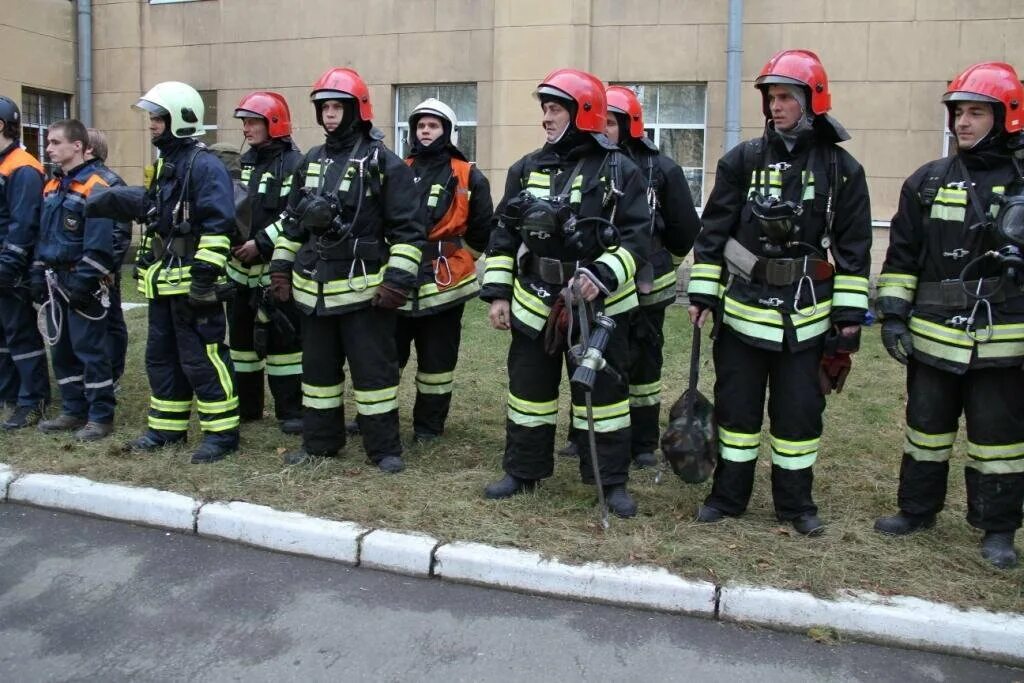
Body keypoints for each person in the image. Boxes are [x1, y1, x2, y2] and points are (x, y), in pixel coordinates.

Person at [686, 50, 872, 535]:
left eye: (786, 96)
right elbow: (713, 234)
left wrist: (847, 322)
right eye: (771, 97)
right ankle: (727, 497)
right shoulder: (741, 161)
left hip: (806, 323)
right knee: (737, 415)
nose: (776, 106)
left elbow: (853, 250)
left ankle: (796, 506)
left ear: (813, 100)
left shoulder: (842, 170)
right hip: (743, 317)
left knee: (798, 420)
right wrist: (703, 296)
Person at [478, 68, 651, 517]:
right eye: (545, 109)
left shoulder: (621, 171)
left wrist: (602, 275)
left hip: (601, 306)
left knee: (606, 396)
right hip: (535, 301)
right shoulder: (527, 168)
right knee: (528, 391)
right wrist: (498, 293)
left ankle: (610, 482)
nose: (547, 119)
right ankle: (523, 470)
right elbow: (502, 232)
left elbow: (637, 238)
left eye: (555, 109)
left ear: (583, 113)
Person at [873, 62, 1024, 569]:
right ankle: (916, 510)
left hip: (1002, 340)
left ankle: (997, 528)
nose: (962, 122)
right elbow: (902, 257)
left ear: (1007, 117)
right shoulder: (928, 181)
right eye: (958, 112)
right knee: (926, 429)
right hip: (933, 336)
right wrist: (893, 315)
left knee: (998, 440)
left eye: (976, 112)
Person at [269, 67, 426, 473]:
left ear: (358, 110)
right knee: (318, 375)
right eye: (324, 107)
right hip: (314, 291)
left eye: (338, 106)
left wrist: (396, 282)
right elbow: (292, 223)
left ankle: (384, 448)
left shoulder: (385, 164)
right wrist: (281, 268)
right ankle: (320, 442)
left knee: (374, 376)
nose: (330, 115)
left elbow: (409, 231)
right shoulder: (312, 160)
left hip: (364, 293)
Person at [124, 81, 239, 463]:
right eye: (152, 118)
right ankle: (167, 428)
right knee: (161, 358)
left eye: (158, 118)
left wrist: (204, 277)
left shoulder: (204, 166)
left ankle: (221, 434)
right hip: (165, 287)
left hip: (193, 288)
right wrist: (144, 259)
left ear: (181, 120)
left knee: (203, 359)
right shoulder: (164, 166)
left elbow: (218, 225)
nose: (152, 125)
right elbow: (158, 223)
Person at [603, 85, 700, 468]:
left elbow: (685, 228)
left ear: (630, 126)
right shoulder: (590, 162)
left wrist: (665, 265)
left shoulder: (662, 169)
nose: (604, 128)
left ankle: (642, 442)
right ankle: (587, 435)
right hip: (603, 284)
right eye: (599, 120)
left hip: (647, 287)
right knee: (596, 358)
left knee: (643, 364)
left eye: (611, 122)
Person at [397, 98, 492, 442]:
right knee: (388, 353)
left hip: (445, 281)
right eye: (421, 125)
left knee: (437, 359)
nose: (425, 131)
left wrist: (461, 257)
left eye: (433, 125)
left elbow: (482, 226)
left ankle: (428, 426)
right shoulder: (399, 167)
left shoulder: (467, 174)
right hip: (400, 277)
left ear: (448, 131)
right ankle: (377, 417)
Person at [33, 119, 118, 440]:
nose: (49, 148)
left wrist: (84, 283)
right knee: (62, 351)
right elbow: (45, 235)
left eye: (55, 142)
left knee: (90, 351)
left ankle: (100, 416)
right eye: (49, 142)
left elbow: (100, 245)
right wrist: (38, 275)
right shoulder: (52, 186)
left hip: (82, 281)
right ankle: (72, 410)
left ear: (78, 146)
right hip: (54, 281)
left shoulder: (97, 186)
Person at [226, 91, 305, 434]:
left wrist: (261, 243)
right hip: (239, 272)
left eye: (253, 121)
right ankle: (248, 408)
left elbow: (296, 213)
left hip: (276, 270)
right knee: (242, 344)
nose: (246, 128)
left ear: (274, 123)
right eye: (244, 122)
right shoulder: (243, 164)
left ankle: (291, 412)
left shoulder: (296, 164)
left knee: (284, 345)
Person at [0, 95, 49, 429]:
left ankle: (33, 401)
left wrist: (9, 265)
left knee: (21, 334)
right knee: (3, 335)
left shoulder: (23, 166)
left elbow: (23, 223)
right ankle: (8, 394)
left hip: (12, 268)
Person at [85, 127, 132, 385]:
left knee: (111, 320)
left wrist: (107, 268)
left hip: (104, 270)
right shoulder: (77, 180)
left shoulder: (111, 183)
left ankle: (113, 373)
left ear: (87, 148)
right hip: (84, 267)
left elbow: (120, 232)